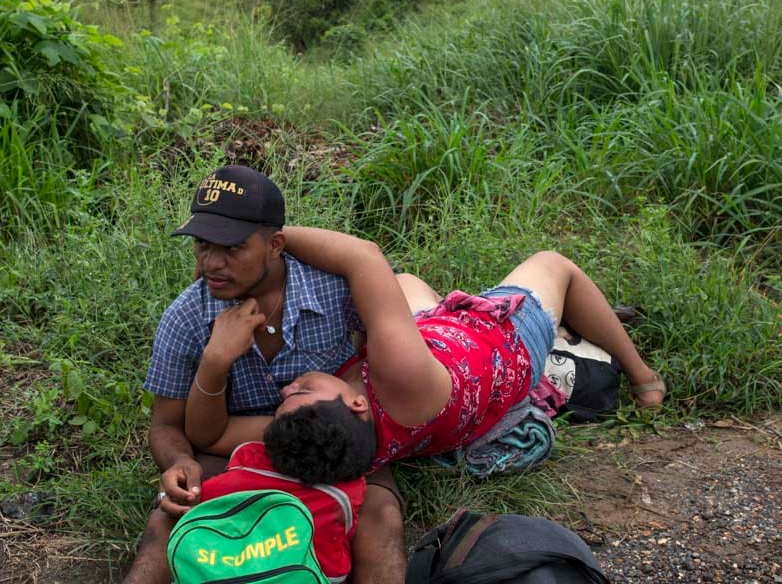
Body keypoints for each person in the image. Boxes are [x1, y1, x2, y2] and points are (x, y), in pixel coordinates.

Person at [189, 226, 665, 486]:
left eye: (289, 395)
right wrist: (260, 241)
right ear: (356, 402)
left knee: (405, 283)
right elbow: (363, 257)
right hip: (500, 344)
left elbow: (208, 435)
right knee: (554, 265)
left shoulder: (340, 437)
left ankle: (572, 325)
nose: (289, 387)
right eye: (304, 391)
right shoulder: (399, 379)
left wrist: (214, 363)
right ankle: (645, 379)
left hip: (435, 348)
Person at [121, 167, 405, 584]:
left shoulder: (335, 289)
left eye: (232, 248)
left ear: (274, 245)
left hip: (331, 445)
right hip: (231, 450)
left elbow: (388, 347)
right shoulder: (187, 318)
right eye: (202, 245)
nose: (211, 263)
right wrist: (180, 461)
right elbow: (165, 424)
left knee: (379, 514)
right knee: (167, 523)